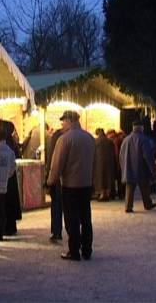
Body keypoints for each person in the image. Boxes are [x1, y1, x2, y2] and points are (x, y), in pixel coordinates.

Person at [47, 111, 95, 261]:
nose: (62, 124)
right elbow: (95, 162)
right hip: (86, 183)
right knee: (86, 217)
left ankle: (74, 250)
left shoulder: (64, 139)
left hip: (70, 184)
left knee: (71, 219)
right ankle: (87, 249)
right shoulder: (89, 138)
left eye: (63, 121)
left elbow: (57, 164)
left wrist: (51, 181)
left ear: (69, 120)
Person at [119, 120, 156, 213]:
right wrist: (152, 168)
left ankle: (128, 206)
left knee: (129, 188)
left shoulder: (126, 139)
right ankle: (148, 204)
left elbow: (121, 155)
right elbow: (147, 155)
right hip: (141, 168)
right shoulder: (144, 139)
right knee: (144, 187)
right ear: (141, 128)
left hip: (128, 168)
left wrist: (123, 167)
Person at [0, 120, 22, 235]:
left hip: (5, 178)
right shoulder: (11, 143)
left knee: (5, 203)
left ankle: (5, 226)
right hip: (10, 177)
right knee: (10, 203)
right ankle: (10, 226)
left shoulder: (2, 145)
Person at [0, 124, 17, 242]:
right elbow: (13, 167)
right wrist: (6, 175)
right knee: (2, 208)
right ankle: (1, 231)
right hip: (4, 183)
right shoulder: (9, 150)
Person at [45, 126, 64, 241]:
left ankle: (56, 232)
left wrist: (50, 178)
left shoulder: (57, 138)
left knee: (56, 206)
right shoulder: (85, 138)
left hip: (58, 180)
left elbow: (53, 162)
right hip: (75, 181)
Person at [94, 128, 116, 201]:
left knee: (100, 178)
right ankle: (107, 194)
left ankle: (102, 195)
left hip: (99, 163)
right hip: (109, 162)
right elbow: (114, 152)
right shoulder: (110, 141)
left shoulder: (96, 141)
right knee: (108, 178)